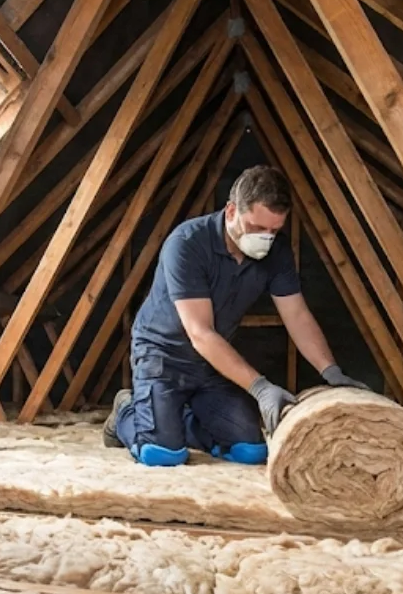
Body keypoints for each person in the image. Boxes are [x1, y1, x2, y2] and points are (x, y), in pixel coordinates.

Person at [104, 165, 368, 467]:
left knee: (250, 450)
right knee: (162, 454)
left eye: (274, 230)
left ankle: (176, 419)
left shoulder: (276, 253)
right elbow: (200, 333)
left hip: (211, 364)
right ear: (231, 211)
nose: (266, 238)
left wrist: (331, 372)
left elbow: (296, 314)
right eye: (257, 228)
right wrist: (260, 388)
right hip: (163, 356)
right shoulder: (188, 243)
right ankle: (126, 410)